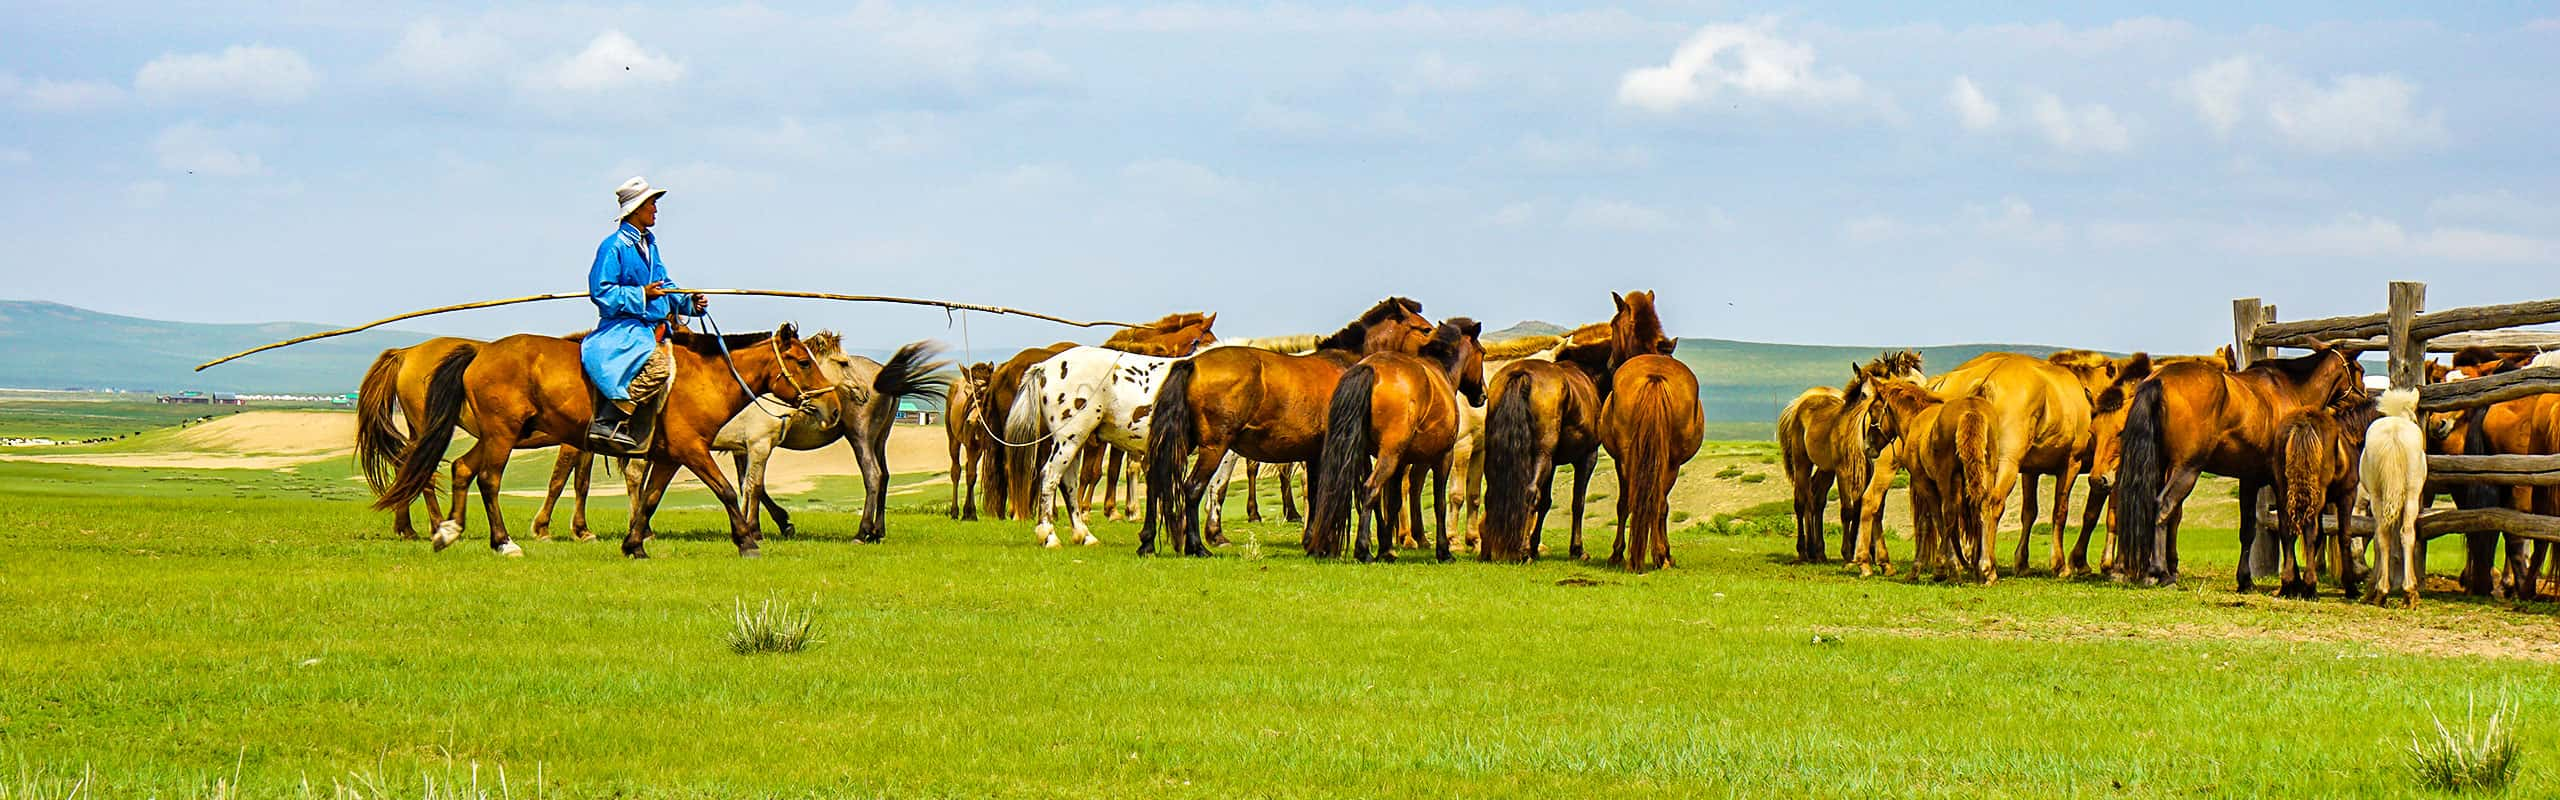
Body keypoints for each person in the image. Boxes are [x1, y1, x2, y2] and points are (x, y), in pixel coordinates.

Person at [583, 176, 704, 452]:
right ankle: (609, 420)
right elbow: (601, 292)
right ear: (636, 209)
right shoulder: (613, 246)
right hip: (623, 328)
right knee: (659, 368)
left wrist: (688, 303)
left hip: (650, 327)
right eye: (651, 204)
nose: (656, 210)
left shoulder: (650, 245)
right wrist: (641, 295)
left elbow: (665, 284)